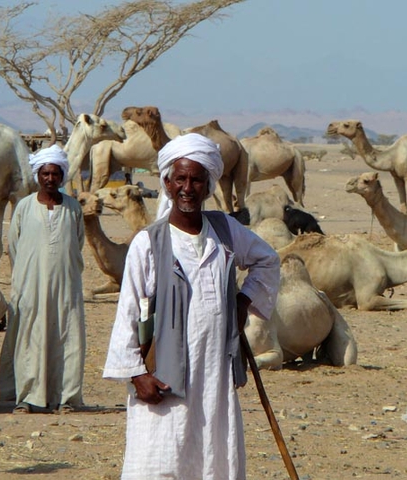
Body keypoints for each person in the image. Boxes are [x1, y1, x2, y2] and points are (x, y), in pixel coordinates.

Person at [103, 133, 280, 479]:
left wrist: (243, 301)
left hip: (215, 374)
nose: (188, 187)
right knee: (160, 458)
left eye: (196, 179)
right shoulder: (148, 243)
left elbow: (268, 261)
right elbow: (127, 312)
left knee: (212, 455)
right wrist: (137, 374)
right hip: (164, 378)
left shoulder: (225, 230)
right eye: (180, 179)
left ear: (208, 184)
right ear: (167, 183)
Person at [0, 144, 86, 414]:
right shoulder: (24, 207)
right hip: (30, 287)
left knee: (67, 338)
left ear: (62, 176)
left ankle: (67, 398)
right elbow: (15, 245)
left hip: (65, 287)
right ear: (38, 175)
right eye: (45, 173)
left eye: (55, 174)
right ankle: (28, 398)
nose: (50, 178)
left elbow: (77, 243)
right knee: (29, 337)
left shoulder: (72, 208)